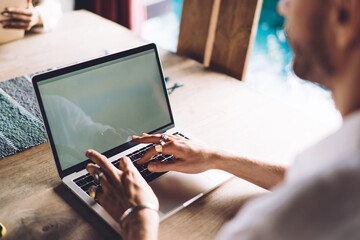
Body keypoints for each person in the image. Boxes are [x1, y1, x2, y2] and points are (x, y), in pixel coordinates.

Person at [85, 0, 360, 239]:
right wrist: (216, 157)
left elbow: (316, 188)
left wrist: (139, 218)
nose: (282, 6)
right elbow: (306, 177)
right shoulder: (340, 163)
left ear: (345, 14)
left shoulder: (284, 221)